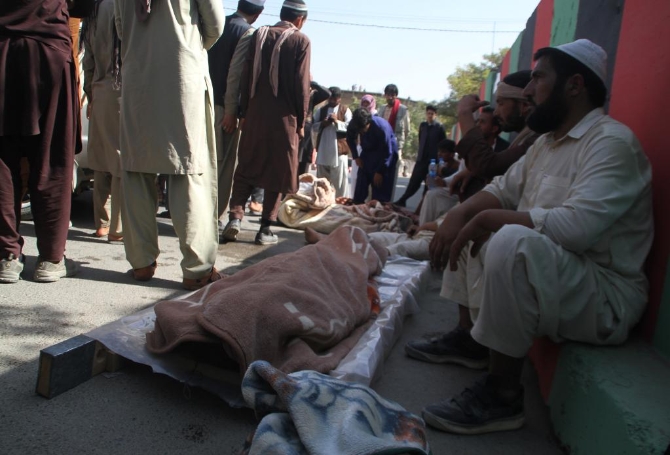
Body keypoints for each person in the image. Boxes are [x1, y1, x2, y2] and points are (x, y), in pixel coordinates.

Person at [406, 39, 653, 435]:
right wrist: (462, 215)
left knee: (506, 237)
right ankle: (470, 341)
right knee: (471, 220)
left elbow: (575, 229)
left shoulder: (611, 143)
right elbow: (502, 189)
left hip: (604, 294)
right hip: (563, 276)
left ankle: (503, 395)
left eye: (538, 79)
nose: (527, 92)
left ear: (574, 85)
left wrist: (484, 218)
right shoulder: (546, 144)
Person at [114, 0, 225, 290]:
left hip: (137, 73)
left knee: (136, 169)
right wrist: (186, 44)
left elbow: (121, 27)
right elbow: (215, 25)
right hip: (181, 74)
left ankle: (141, 262)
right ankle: (197, 269)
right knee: (188, 171)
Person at [0, 0, 80, 283]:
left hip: (3, 47)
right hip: (49, 50)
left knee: (2, 160)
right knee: (53, 156)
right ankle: (51, 257)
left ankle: (6, 255)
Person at [221, 0, 311, 245]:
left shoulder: (259, 34)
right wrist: (302, 122)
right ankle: (265, 230)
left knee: (246, 167)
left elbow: (245, 75)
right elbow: (302, 86)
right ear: (300, 20)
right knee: (277, 173)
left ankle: (235, 219)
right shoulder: (301, 40)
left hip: (254, 115)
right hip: (285, 121)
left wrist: (243, 112)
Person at [208, 0, 266, 229]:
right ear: (258, 13)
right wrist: (231, 111)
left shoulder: (216, 23)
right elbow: (235, 75)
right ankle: (213, 220)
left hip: (200, 103)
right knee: (222, 169)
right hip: (223, 110)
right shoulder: (248, 33)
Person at [82, 0, 123, 243]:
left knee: (101, 162)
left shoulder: (93, 8)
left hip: (98, 89)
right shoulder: (122, 5)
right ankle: (117, 227)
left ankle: (102, 224)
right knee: (119, 160)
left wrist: (90, 93)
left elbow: (88, 59)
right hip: (122, 88)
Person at [394, 105, 446, 207]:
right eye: (428, 113)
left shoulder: (439, 127)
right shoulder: (423, 126)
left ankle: (423, 205)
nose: (430, 115)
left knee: (429, 184)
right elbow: (420, 139)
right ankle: (403, 200)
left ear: (435, 115)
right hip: (421, 159)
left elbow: (442, 144)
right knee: (414, 181)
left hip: (433, 161)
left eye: (432, 114)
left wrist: (440, 161)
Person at [347, 108, 398, 204]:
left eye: (363, 128)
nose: (361, 131)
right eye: (359, 130)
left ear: (368, 122)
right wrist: (356, 156)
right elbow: (349, 138)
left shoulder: (381, 127)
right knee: (360, 187)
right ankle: (358, 204)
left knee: (379, 194)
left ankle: (379, 207)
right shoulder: (354, 124)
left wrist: (380, 171)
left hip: (385, 155)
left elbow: (388, 152)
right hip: (367, 152)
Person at [312, 87, 352, 198]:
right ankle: (322, 202)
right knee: (322, 182)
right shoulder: (321, 110)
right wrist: (322, 124)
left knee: (340, 184)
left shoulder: (345, 110)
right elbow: (313, 126)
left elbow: (350, 127)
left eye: (335, 99)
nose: (332, 101)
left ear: (339, 99)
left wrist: (337, 122)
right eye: (330, 98)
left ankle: (341, 203)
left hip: (339, 152)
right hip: (323, 151)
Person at [416, 140, 460, 225]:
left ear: (452, 154)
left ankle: (423, 224)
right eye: (439, 151)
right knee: (428, 193)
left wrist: (442, 181)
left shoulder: (457, 166)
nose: (439, 154)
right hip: (441, 193)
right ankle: (419, 218)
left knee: (431, 195)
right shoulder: (441, 165)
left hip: (453, 195)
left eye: (443, 152)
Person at [378, 84, 410, 200]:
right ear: (385, 95)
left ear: (396, 95)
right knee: (379, 173)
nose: (390, 97)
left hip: (395, 145)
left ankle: (388, 201)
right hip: (381, 145)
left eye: (392, 95)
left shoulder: (403, 110)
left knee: (392, 174)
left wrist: (399, 145)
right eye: (388, 94)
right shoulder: (382, 109)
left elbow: (407, 130)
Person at [298, 81, 330, 177]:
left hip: (306, 131)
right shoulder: (295, 92)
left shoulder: (312, 96)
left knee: (303, 161)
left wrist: (311, 83)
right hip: (294, 129)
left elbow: (327, 93)